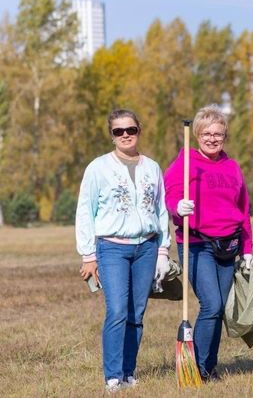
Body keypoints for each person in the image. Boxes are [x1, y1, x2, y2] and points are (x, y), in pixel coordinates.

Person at [76, 109, 171, 393]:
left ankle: (129, 372)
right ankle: (113, 376)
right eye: (119, 131)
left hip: (147, 247)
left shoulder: (152, 167)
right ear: (112, 135)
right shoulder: (98, 167)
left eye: (130, 129)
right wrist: (88, 255)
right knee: (117, 310)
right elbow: (85, 211)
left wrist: (163, 250)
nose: (125, 135)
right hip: (111, 248)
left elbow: (161, 209)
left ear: (139, 131)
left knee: (137, 313)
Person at [164, 104, 253, 381]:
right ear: (197, 135)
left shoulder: (232, 167)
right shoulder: (185, 162)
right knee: (211, 304)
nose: (212, 139)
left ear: (225, 136)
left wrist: (247, 250)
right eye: (206, 134)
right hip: (197, 243)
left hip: (228, 246)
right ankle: (198, 368)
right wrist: (179, 206)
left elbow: (244, 210)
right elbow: (169, 195)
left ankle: (209, 366)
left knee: (219, 310)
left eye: (218, 134)